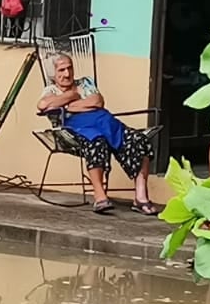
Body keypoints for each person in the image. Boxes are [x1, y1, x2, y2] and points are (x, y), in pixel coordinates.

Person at [37, 53, 157, 215]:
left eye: (70, 68)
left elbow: (98, 102)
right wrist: (72, 95)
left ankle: (140, 196)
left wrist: (69, 106)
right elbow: (43, 105)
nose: (67, 73)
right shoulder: (50, 90)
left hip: (107, 123)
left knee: (139, 139)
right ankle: (100, 196)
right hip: (77, 130)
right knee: (96, 141)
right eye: (62, 70)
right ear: (54, 74)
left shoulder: (86, 82)